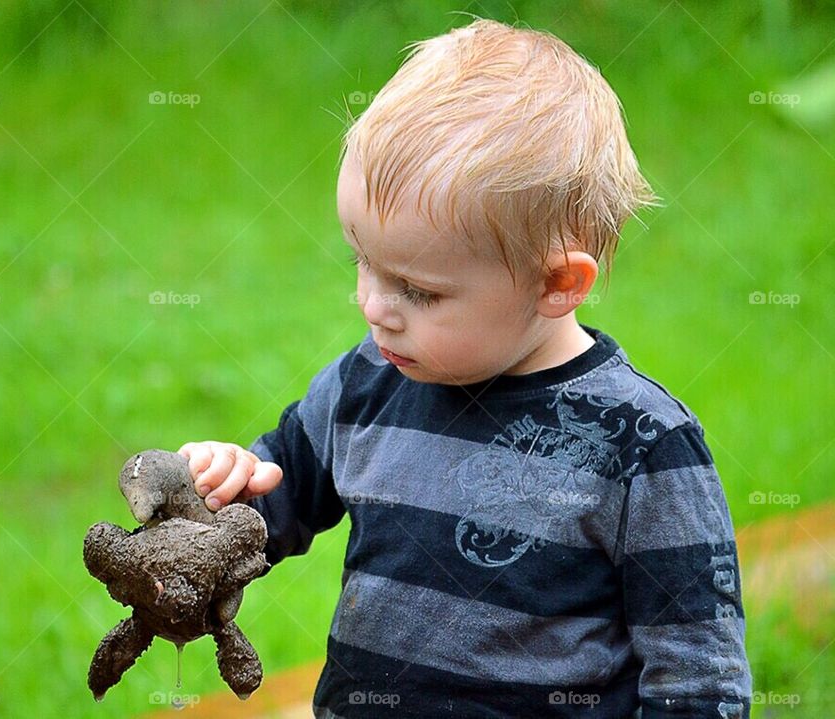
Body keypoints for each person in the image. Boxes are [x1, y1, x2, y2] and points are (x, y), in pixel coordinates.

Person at [178, 19, 752, 718]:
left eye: (418, 289)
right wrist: (222, 492)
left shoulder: (641, 447)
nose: (374, 307)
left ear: (556, 284)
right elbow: (279, 494)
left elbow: (700, 681)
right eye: (362, 260)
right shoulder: (369, 383)